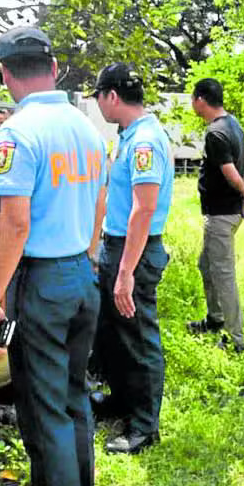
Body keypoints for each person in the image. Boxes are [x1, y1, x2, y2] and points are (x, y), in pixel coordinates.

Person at [0, 27, 106, 486]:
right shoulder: (87, 127)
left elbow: (15, 221)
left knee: (44, 410)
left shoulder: (18, 131)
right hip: (79, 274)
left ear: (6, 74)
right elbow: (99, 200)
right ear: (54, 69)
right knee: (73, 398)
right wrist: (88, 257)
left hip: (42, 282)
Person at [89, 63, 174, 455]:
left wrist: (125, 272)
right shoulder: (129, 135)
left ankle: (144, 426)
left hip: (134, 251)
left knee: (139, 338)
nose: (99, 106)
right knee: (115, 334)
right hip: (117, 246)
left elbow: (144, 209)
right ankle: (122, 401)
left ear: (111, 96)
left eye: (99, 97)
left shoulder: (145, 141)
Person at [185, 78, 244, 353]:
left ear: (201, 100)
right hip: (226, 212)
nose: (192, 103)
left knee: (223, 275)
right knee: (206, 265)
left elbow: (230, 170)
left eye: (193, 98)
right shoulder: (233, 123)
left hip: (221, 215)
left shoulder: (215, 133)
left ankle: (235, 340)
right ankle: (215, 319)